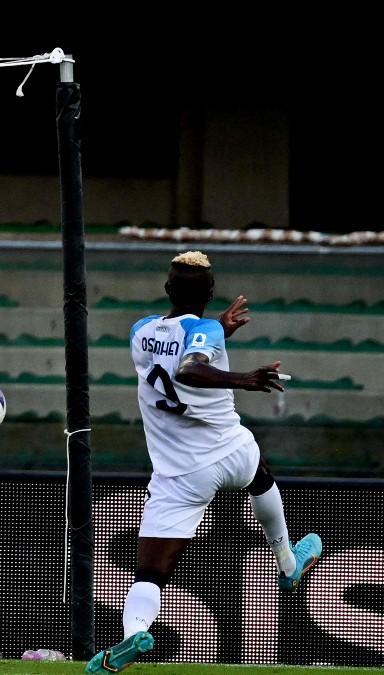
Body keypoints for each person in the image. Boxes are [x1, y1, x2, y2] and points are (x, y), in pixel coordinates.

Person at [86, 251, 322, 673]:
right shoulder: (206, 328)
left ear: (166, 290)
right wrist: (243, 378)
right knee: (262, 479)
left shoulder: (140, 330)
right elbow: (191, 369)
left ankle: (129, 638)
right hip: (229, 449)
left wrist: (219, 337)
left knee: (150, 573)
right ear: (211, 294)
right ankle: (288, 563)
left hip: (179, 473)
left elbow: (175, 356)